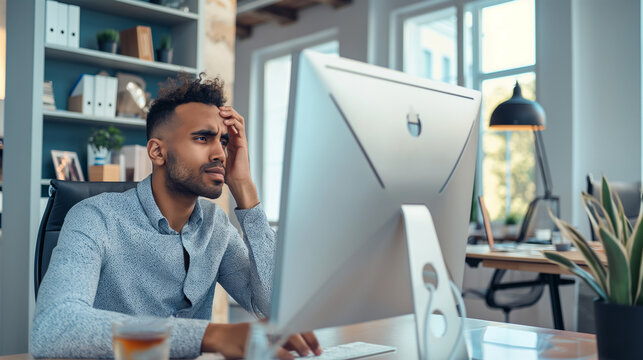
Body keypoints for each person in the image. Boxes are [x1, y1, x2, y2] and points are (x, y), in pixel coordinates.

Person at [30, 74, 321, 360]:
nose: (221, 152)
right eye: (202, 138)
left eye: (223, 141)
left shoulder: (215, 225)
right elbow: (53, 327)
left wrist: (244, 189)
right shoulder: (95, 217)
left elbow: (271, 307)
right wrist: (213, 336)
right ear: (158, 152)